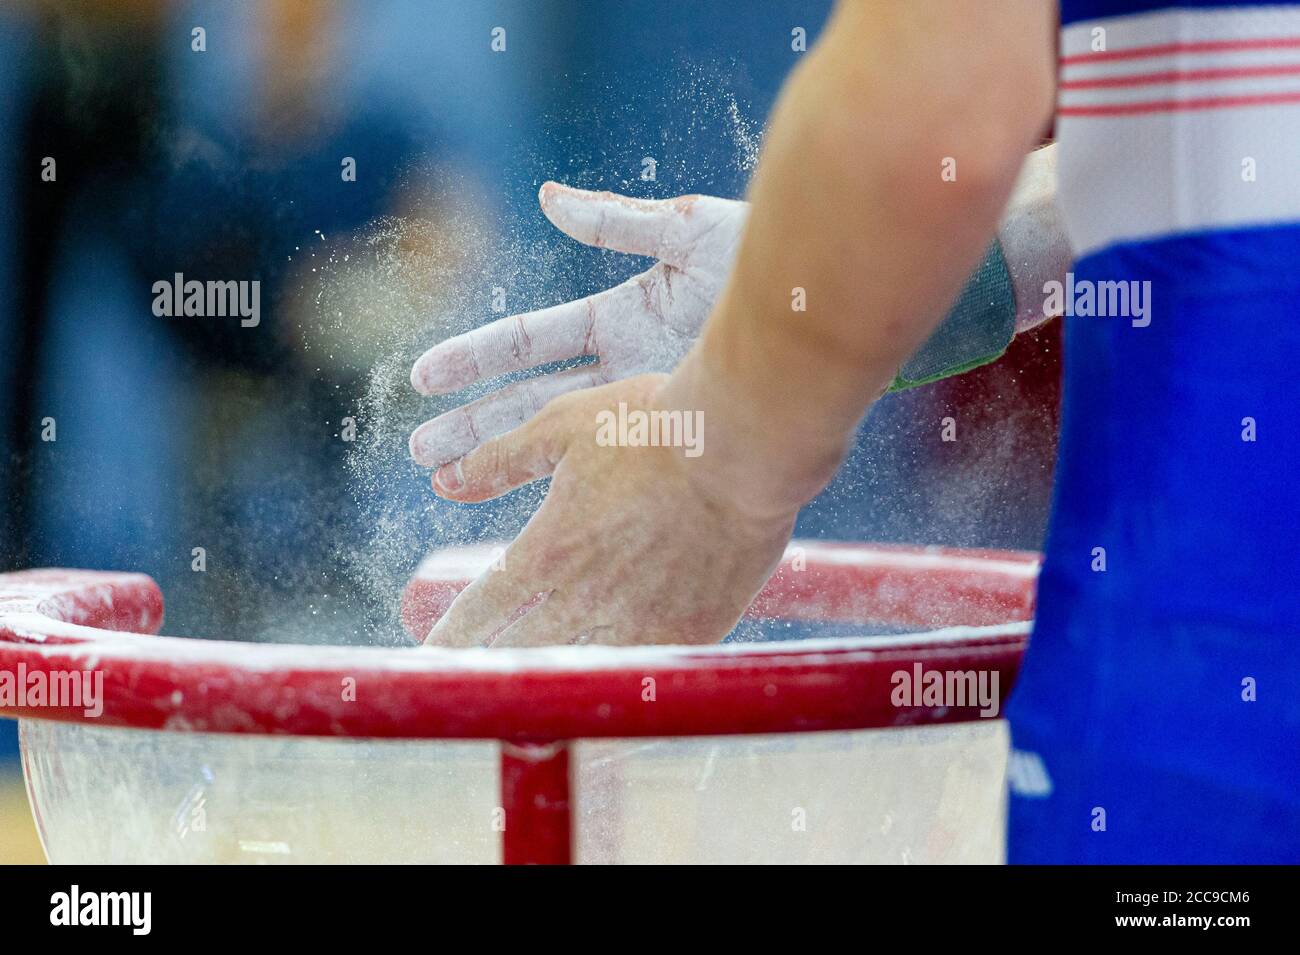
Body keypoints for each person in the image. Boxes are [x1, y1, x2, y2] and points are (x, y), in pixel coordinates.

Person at [410, 0, 1300, 863]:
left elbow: (941, 92)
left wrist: (727, 445)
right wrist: (815, 289)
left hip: (1221, 679)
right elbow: (1218, 121)